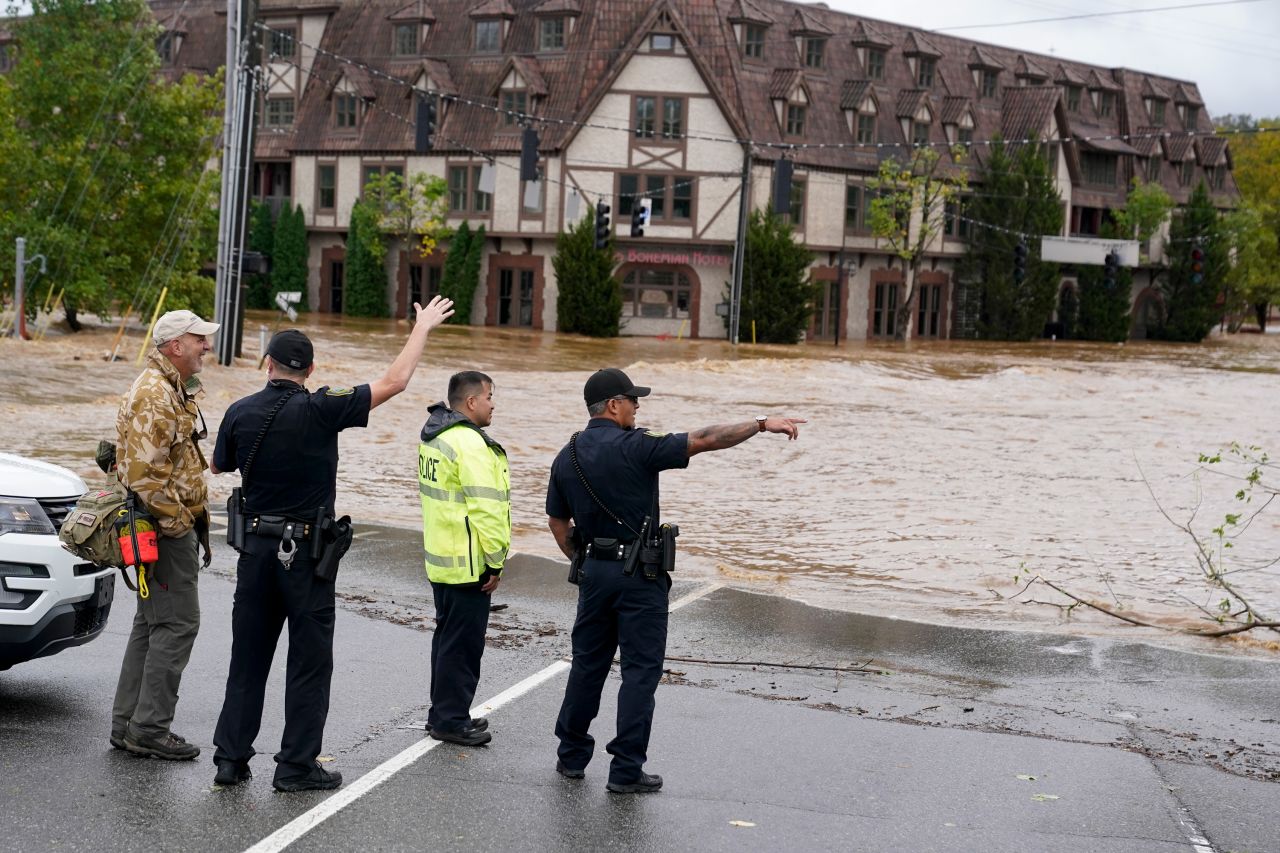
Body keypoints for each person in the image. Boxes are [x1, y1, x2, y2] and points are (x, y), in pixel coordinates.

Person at [209, 296, 454, 792]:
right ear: (312, 369)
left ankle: (230, 761)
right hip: (306, 557)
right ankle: (295, 766)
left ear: (267, 364)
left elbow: (216, 467)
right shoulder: (324, 407)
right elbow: (396, 382)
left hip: (255, 553)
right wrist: (422, 326)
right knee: (308, 662)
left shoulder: (239, 412)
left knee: (248, 660)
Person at [546, 368, 804, 793]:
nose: (638, 406)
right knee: (639, 673)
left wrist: (588, 562)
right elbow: (706, 438)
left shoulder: (567, 454)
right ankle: (625, 771)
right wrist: (761, 424)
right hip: (639, 577)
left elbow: (558, 522)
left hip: (593, 574)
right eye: (632, 400)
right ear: (613, 405)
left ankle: (571, 757)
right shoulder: (638, 447)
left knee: (588, 667)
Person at [112, 309, 219, 761]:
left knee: (152, 624)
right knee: (176, 625)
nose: (207, 347)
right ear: (176, 346)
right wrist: (179, 526)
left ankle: (129, 725)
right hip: (162, 528)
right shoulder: (156, 394)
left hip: (158, 526)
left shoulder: (166, 387)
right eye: (200, 340)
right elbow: (143, 476)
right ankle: (149, 729)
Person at [418, 371, 510, 747]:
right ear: (471, 402)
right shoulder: (470, 444)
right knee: (462, 646)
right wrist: (495, 561)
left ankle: (442, 712)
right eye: (490, 396)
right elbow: (487, 508)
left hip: (442, 560)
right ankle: (451, 720)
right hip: (470, 564)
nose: (493, 403)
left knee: (446, 640)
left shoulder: (434, 437)